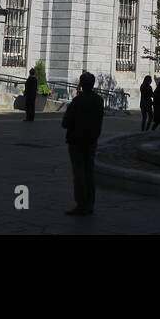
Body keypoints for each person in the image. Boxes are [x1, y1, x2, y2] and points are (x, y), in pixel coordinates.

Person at [62, 71, 104, 215]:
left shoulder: (77, 101)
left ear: (81, 84)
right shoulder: (99, 100)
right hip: (92, 141)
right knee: (89, 171)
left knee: (79, 172)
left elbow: (66, 122)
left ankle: (81, 204)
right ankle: (90, 203)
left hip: (76, 141)